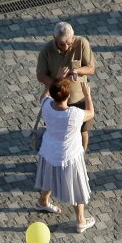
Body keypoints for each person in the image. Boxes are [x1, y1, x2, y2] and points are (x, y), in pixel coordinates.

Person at [35, 78, 97, 232]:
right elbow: (91, 113)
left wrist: (53, 81)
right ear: (68, 97)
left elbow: (43, 96)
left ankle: (43, 201)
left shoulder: (46, 106)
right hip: (69, 155)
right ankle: (81, 220)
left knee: (48, 176)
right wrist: (87, 95)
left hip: (49, 150)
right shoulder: (73, 114)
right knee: (77, 187)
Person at [36, 22, 97, 150]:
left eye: (69, 43)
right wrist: (59, 80)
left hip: (79, 99)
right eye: (62, 44)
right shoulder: (46, 51)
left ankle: (82, 154)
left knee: (83, 131)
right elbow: (41, 76)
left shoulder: (81, 43)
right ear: (55, 38)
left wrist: (78, 71)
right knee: (57, 133)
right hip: (58, 100)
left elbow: (91, 69)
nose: (66, 47)